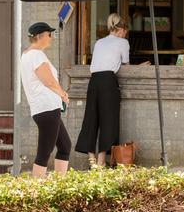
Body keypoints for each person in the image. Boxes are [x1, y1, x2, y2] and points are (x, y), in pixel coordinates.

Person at [75, 13, 138, 167]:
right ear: (122, 30)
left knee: (91, 119)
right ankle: (102, 161)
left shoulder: (99, 43)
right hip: (109, 81)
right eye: (125, 31)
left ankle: (92, 161)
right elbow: (125, 65)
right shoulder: (123, 42)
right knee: (108, 120)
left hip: (94, 81)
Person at [20, 22, 71, 178]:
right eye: (50, 35)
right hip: (47, 108)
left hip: (45, 109)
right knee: (44, 152)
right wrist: (63, 94)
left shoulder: (27, 54)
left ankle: (60, 187)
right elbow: (48, 81)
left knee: (65, 146)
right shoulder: (36, 55)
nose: (51, 38)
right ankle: (37, 193)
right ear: (39, 36)